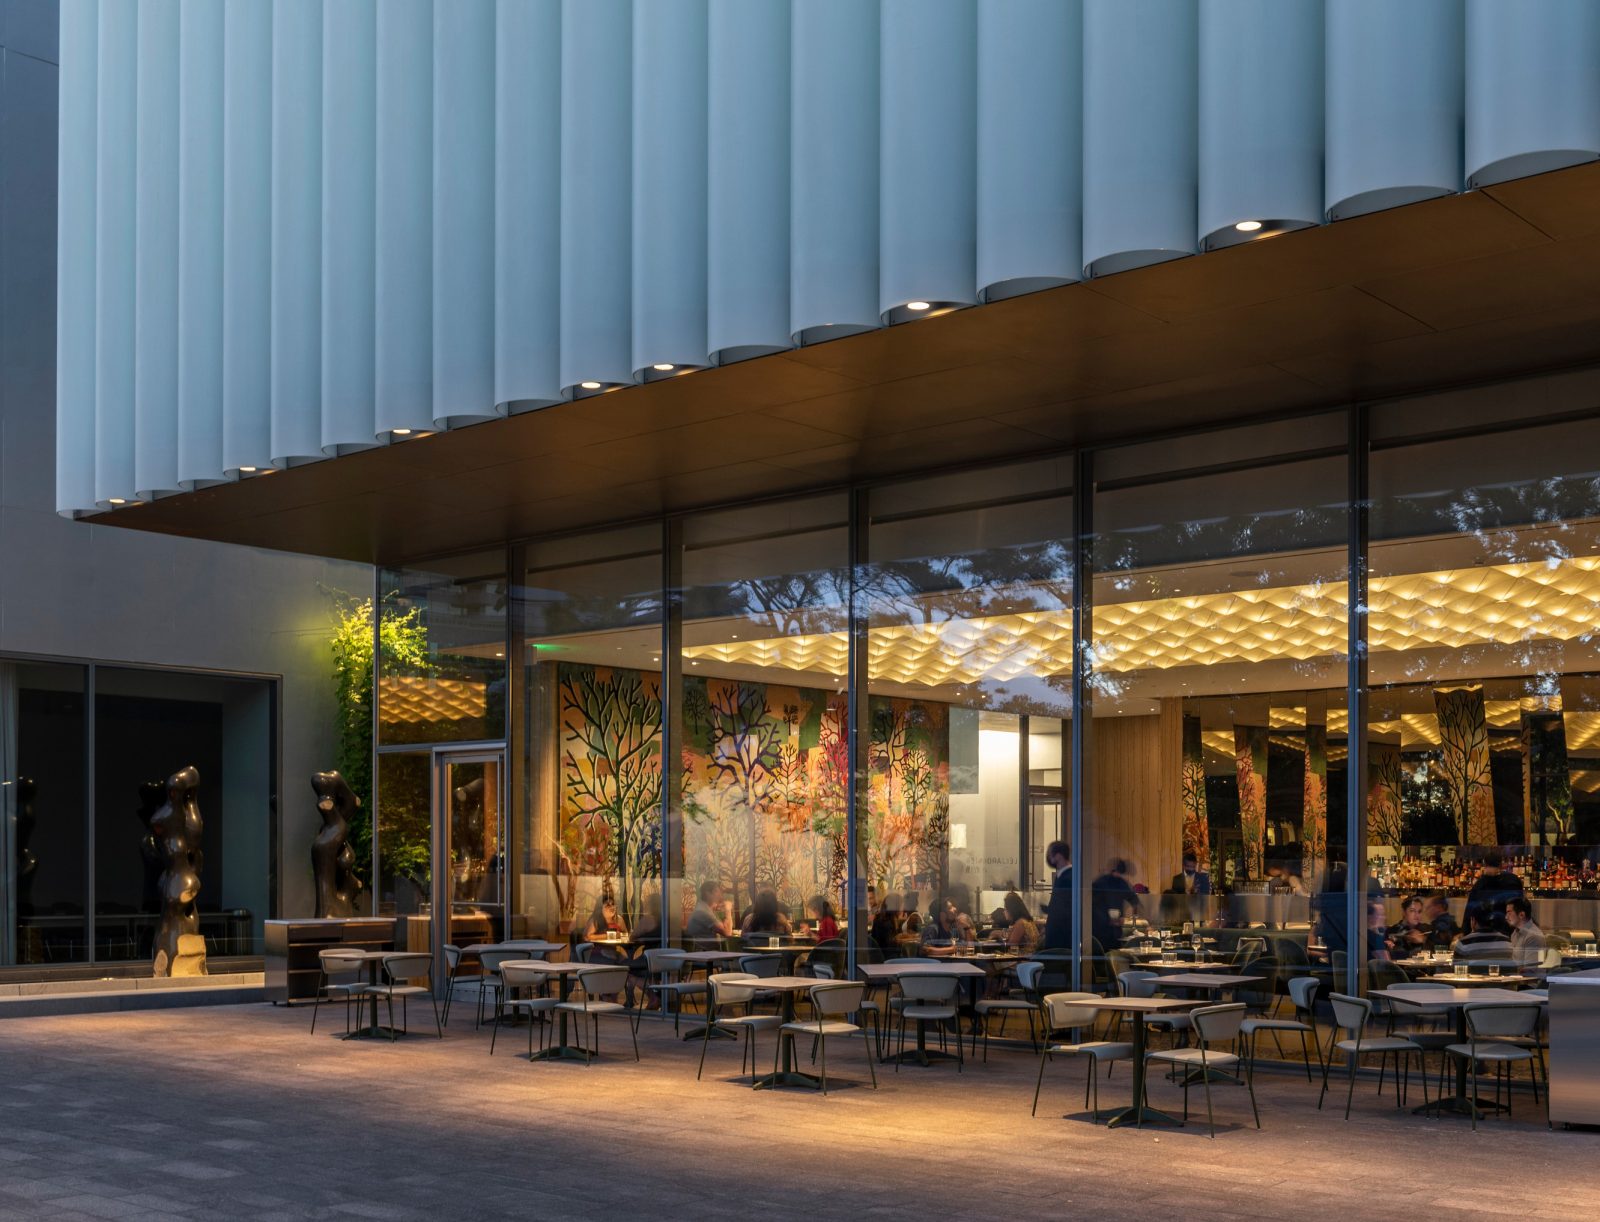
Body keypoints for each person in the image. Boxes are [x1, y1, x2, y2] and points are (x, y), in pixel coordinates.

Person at [1091, 858, 1140, 953]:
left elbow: (1134, 899)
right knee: (1104, 954)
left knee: (1115, 954)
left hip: (1114, 931)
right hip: (1100, 929)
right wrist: (1108, 920)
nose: (1117, 875)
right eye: (1117, 872)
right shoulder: (1100, 883)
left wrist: (1130, 917)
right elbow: (1092, 905)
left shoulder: (1120, 882)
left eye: (1120, 873)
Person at [1466, 852, 1524, 932]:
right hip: (1509, 930)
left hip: (1485, 932)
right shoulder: (1513, 880)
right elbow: (1521, 905)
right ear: (1501, 864)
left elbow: (1470, 912)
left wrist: (1466, 932)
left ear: (1485, 864)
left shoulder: (1479, 884)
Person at [1041, 841, 1074, 950]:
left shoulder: (1067, 877)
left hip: (1061, 935)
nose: (1049, 858)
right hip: (1059, 933)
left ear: (1058, 856)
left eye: (1050, 854)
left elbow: (1062, 908)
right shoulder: (1064, 875)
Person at [1505, 896, 1548, 968]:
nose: (1506, 917)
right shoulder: (1515, 933)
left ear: (1521, 915)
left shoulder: (1534, 937)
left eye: (1509, 913)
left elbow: (1531, 970)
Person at [1387, 894, 1430, 959]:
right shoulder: (1392, 931)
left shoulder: (1427, 929)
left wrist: (1424, 940)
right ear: (1404, 912)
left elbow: (1437, 951)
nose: (1417, 915)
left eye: (1419, 911)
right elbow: (1394, 956)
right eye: (1412, 911)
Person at [869, 892, 903, 959]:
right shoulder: (886, 923)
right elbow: (889, 945)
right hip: (887, 958)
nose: (903, 909)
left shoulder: (882, 918)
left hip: (880, 956)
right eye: (901, 906)